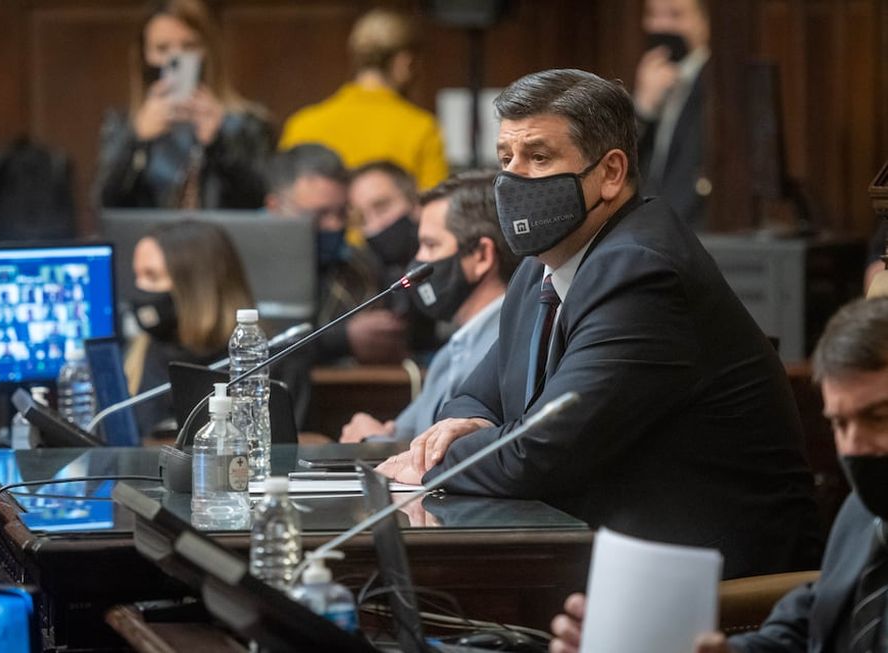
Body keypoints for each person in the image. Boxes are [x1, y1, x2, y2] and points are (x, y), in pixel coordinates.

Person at [376, 68, 820, 579]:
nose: (513, 179)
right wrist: (470, 426)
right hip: (601, 557)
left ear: (610, 173)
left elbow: (539, 451)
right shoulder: (538, 268)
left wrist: (432, 461)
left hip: (706, 582)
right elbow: (474, 397)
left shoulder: (642, 270)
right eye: (505, 159)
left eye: (538, 157)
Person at [551, 296, 888, 653]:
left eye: (878, 417)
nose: (854, 445)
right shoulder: (865, 511)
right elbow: (814, 618)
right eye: (839, 423)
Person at [341, 171, 519, 442]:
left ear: (481, 256)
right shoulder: (453, 351)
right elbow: (403, 436)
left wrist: (369, 441)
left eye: (431, 245)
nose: (418, 260)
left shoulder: (503, 345)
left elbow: (441, 456)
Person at [95, 0, 273, 210]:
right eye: (162, 48)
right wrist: (136, 141)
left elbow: (261, 202)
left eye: (189, 46)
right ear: (144, 56)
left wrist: (219, 143)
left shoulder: (248, 125)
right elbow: (104, 203)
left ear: (208, 51)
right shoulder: (121, 125)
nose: (176, 59)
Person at [266, 144, 407, 365]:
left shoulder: (362, 267)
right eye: (319, 214)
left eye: (342, 213)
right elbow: (248, 345)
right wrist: (341, 339)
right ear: (275, 207)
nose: (334, 225)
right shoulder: (245, 267)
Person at [278, 8, 448, 191]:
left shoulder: (302, 124)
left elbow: (285, 198)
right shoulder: (422, 128)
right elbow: (433, 205)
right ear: (405, 61)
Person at [124, 219, 252, 436]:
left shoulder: (257, 356)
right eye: (137, 275)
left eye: (152, 276)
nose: (139, 288)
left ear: (195, 286)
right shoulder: (141, 351)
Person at [634, 0, 711, 227]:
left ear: (704, 22)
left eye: (675, 15)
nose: (662, 27)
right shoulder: (649, 78)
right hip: (651, 228)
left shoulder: (719, 85)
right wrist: (643, 106)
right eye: (653, 15)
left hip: (695, 232)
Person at [348, 160, 437, 355]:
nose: (375, 225)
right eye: (362, 219)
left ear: (414, 202)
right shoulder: (362, 281)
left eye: (382, 207)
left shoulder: (456, 261)